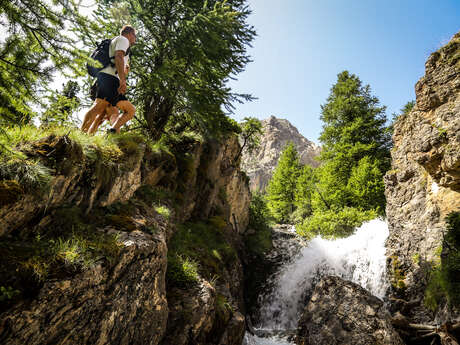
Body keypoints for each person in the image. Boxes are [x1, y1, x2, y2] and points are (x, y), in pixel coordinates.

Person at [81, 25, 136, 134]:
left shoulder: (119, 42)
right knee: (98, 106)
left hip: (111, 79)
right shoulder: (123, 40)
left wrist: (124, 72)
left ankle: (113, 131)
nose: (135, 39)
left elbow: (119, 61)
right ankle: (82, 134)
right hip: (109, 78)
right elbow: (118, 56)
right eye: (135, 36)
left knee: (130, 111)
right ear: (129, 34)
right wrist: (123, 80)